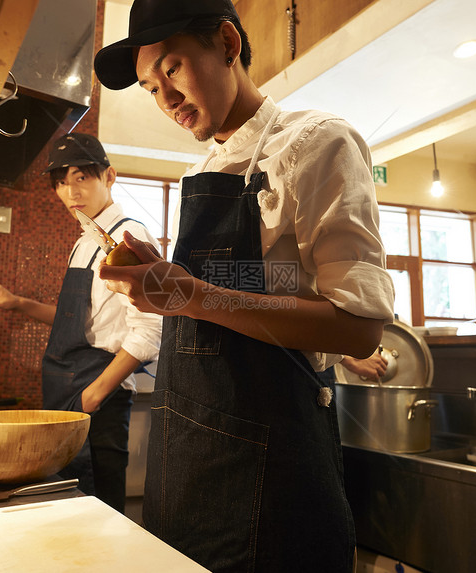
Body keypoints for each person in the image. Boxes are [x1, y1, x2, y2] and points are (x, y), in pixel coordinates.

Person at [94, 1, 395, 570]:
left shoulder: (315, 142)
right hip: (187, 458)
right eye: (149, 88)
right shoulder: (200, 170)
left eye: (174, 69)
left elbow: (359, 328)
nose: (166, 99)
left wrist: (190, 293)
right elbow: (280, 282)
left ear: (228, 45)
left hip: (276, 468)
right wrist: (169, 278)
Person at [0, 133, 162, 513]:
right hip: (68, 392)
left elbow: (151, 330)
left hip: (95, 397)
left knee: (100, 511)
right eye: (61, 181)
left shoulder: (126, 238)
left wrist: (94, 395)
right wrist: (19, 303)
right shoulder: (86, 238)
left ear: (109, 176)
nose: (70, 191)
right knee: (73, 508)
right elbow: (78, 321)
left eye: (81, 177)